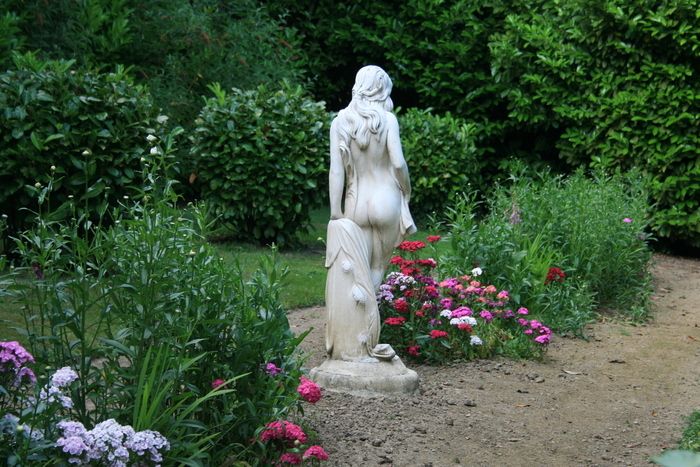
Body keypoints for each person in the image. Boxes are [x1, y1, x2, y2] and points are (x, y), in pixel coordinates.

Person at [329, 65, 416, 290]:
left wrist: (335, 211)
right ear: (381, 90)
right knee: (377, 268)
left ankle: (356, 320)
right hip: (385, 199)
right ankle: (370, 321)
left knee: (358, 268)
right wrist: (406, 190)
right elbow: (398, 163)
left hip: (355, 201)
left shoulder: (340, 123)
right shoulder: (388, 120)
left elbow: (336, 171)